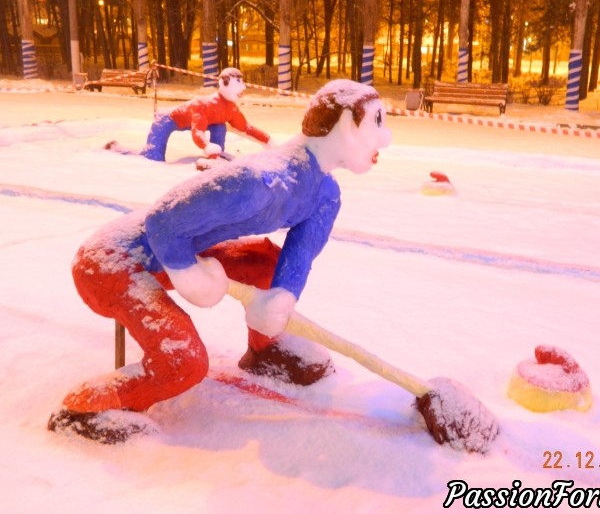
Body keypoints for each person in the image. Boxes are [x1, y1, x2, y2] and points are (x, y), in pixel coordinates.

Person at [49, 79, 392, 441]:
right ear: (346, 124)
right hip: (110, 263)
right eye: (378, 122)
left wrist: (281, 299)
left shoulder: (324, 193)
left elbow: (301, 253)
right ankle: (85, 408)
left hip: (170, 255)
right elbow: (162, 221)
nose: (385, 139)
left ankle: (265, 351)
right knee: (183, 364)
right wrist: (191, 277)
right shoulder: (261, 181)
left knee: (266, 264)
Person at [140, 67, 271, 162]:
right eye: (238, 82)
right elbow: (197, 132)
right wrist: (207, 146)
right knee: (154, 157)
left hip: (206, 122)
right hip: (169, 119)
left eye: (242, 82)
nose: (243, 87)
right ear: (223, 83)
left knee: (219, 126)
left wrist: (267, 140)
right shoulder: (204, 104)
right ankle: (150, 159)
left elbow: (245, 127)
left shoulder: (231, 108)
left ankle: (217, 157)